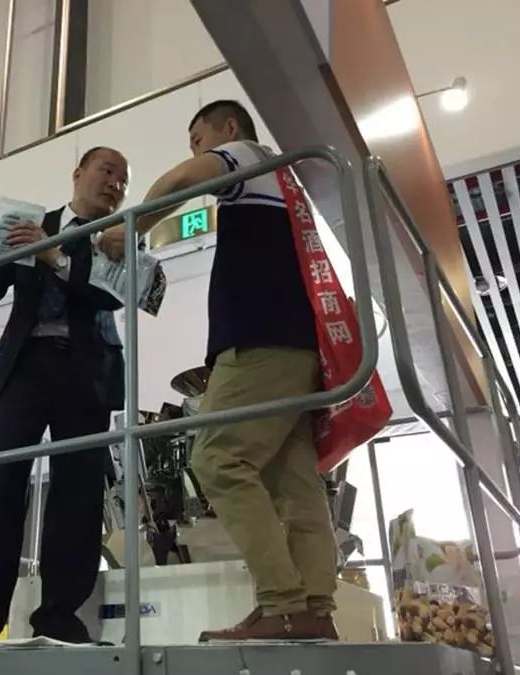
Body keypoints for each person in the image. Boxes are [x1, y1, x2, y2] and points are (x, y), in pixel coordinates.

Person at [98, 101, 338, 641]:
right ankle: (313, 609)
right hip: (297, 345)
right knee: (294, 480)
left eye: (198, 138)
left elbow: (182, 180)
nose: (196, 151)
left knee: (217, 460)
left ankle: (281, 602)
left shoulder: (246, 155)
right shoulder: (284, 180)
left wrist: (129, 228)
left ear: (228, 129)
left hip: (259, 340)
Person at [0, 146, 130, 646]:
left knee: (78, 492)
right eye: (108, 171)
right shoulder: (28, 224)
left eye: (124, 180)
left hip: (88, 371)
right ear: (78, 173)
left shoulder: (121, 235)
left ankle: (60, 617)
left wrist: (54, 256)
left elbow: (113, 295)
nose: (115, 184)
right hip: (25, 366)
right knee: (0, 484)